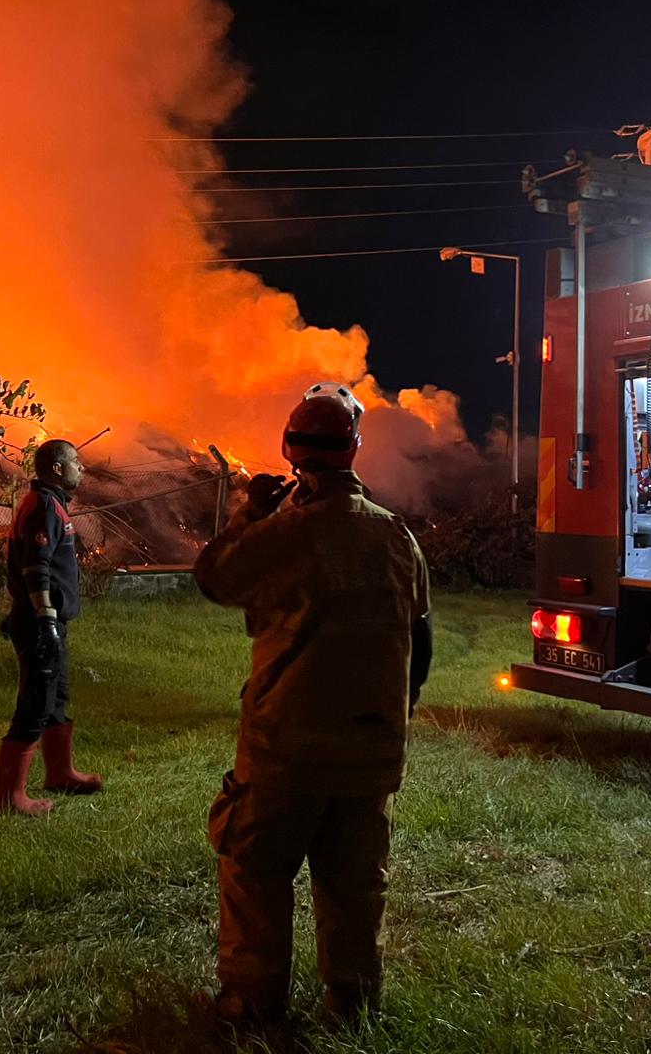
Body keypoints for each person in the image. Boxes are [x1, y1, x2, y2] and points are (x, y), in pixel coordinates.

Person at [193, 383, 433, 1027]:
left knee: (255, 873)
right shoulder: (397, 537)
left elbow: (213, 577)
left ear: (287, 449)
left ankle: (251, 1005)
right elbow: (424, 641)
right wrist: (390, 720)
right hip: (370, 753)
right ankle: (351, 1007)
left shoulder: (284, 534)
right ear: (354, 449)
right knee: (355, 887)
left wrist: (250, 514)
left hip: (285, 751)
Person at [0, 437, 104, 816]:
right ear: (57, 468)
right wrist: (47, 621)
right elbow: (35, 569)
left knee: (56, 700)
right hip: (42, 622)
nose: (82, 468)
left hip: (49, 621)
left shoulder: (52, 504)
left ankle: (60, 773)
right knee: (35, 704)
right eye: (76, 462)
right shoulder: (43, 508)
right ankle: (10, 798)